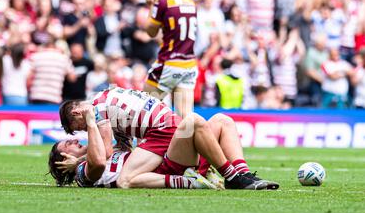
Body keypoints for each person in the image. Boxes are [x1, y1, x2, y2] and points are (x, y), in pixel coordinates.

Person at [59, 87, 276, 190]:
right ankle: (243, 175)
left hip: (161, 132)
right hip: (167, 128)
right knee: (222, 120)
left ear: (77, 113)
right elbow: (121, 144)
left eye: (77, 129)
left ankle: (231, 177)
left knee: (126, 180)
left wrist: (79, 159)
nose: (84, 134)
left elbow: (103, 154)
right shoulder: (104, 95)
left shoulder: (96, 111)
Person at [143, 0, 198, 118]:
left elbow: (151, 32)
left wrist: (151, 5)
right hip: (189, 65)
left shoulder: (163, 2)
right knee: (185, 117)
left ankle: (142, 140)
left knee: (145, 108)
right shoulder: (190, 1)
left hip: (169, 64)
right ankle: (189, 139)